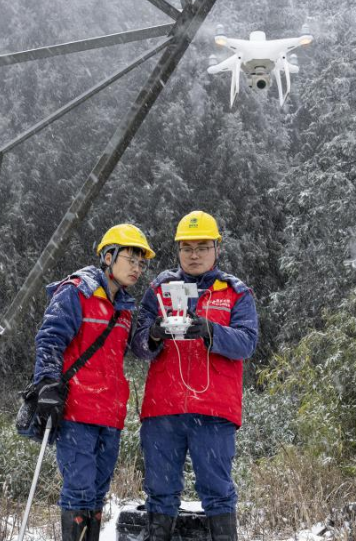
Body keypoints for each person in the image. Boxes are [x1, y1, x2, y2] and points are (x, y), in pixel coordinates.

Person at [130, 211, 259, 541]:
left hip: (214, 411)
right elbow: (138, 344)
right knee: (160, 491)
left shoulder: (235, 292)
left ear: (218, 248)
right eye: (187, 247)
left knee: (217, 492)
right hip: (163, 410)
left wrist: (213, 331)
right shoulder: (158, 288)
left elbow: (247, 343)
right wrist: (153, 335)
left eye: (202, 246)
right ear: (178, 250)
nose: (194, 254)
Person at [30, 223, 155, 541]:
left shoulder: (125, 308)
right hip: (76, 411)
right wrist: (46, 384)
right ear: (108, 256)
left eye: (142, 263)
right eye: (131, 259)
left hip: (110, 415)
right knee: (80, 489)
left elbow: (134, 350)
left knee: (98, 492)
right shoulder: (76, 291)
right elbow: (50, 339)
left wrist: (157, 333)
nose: (137, 268)